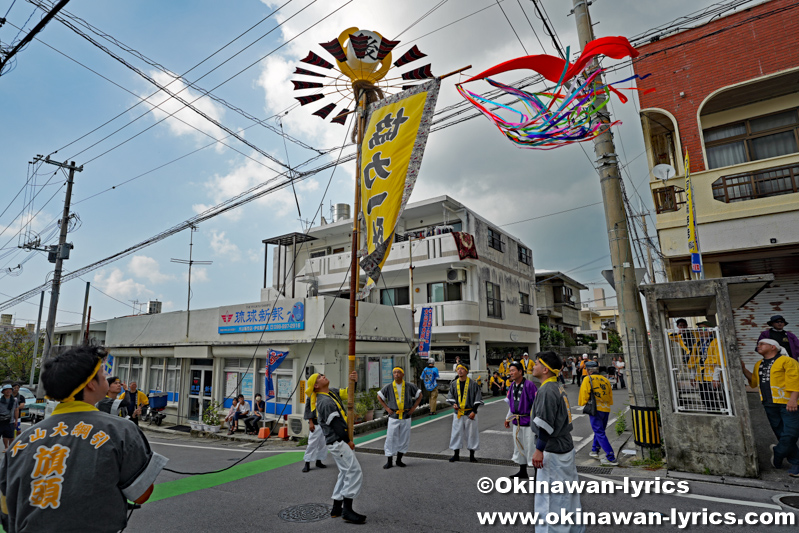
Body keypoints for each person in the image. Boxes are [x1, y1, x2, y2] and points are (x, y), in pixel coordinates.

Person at [0, 344, 167, 532]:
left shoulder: (20, 442)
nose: (108, 377)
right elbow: (141, 494)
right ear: (91, 383)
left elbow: (6, 511)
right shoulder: (119, 430)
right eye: (103, 373)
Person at [530, 351, 584, 533]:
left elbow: (545, 424)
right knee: (567, 494)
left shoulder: (546, 390)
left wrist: (539, 449)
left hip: (552, 450)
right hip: (565, 447)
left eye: (537, 363)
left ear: (545, 369)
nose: (534, 366)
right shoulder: (558, 386)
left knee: (551, 500)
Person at [306, 371, 366, 523]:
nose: (323, 376)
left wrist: (354, 381)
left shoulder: (330, 392)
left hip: (338, 441)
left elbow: (347, 393)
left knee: (344, 473)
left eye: (322, 374)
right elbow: (335, 423)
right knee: (354, 471)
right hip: (338, 441)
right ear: (316, 386)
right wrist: (347, 440)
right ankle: (347, 510)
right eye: (319, 377)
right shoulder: (323, 402)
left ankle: (337, 507)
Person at [740, 339, 799, 478]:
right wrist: (743, 369)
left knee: (791, 432)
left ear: (773, 347)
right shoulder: (759, 364)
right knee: (780, 432)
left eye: (762, 344)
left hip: (787, 402)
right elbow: (754, 382)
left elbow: (796, 380)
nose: (758, 346)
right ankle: (796, 461)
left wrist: (793, 399)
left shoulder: (787, 361)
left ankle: (778, 452)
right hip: (768, 403)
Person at [377, 367, 422, 469]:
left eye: (398, 372)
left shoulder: (409, 386)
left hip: (406, 415)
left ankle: (399, 460)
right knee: (390, 438)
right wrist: (387, 408)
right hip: (394, 416)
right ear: (393, 375)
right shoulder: (388, 387)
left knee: (404, 438)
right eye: (394, 373)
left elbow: (419, 395)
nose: (396, 374)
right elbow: (379, 396)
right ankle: (389, 461)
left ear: (403, 374)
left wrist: (413, 408)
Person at [579, 360, 617, 466]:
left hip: (595, 409)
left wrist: (582, 403)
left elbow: (584, 394)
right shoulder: (605, 379)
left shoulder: (588, 379)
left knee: (599, 432)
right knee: (600, 430)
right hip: (606, 408)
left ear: (588, 370)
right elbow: (610, 396)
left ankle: (611, 456)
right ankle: (594, 450)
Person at [504, 362, 537, 478]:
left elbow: (536, 404)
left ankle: (537, 474)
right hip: (517, 421)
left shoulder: (529, 385)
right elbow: (511, 404)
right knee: (519, 446)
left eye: (513, 370)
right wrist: (507, 418)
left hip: (528, 421)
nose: (511, 373)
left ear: (520, 371)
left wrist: (536, 421)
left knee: (530, 447)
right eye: (510, 371)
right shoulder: (512, 386)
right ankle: (523, 471)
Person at [447, 363, 483, 463]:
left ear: (466, 371)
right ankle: (456, 454)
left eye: (462, 369)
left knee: (472, 434)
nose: (460, 371)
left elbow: (478, 398)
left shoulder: (473, 384)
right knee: (456, 433)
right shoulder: (454, 384)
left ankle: (472, 455)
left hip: (470, 412)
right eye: (458, 369)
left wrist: (474, 411)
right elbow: (451, 397)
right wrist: (453, 404)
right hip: (458, 413)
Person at [688, 325, 727, 412]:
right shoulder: (698, 344)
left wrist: (716, 377)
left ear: (710, 330)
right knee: (704, 397)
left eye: (704, 329)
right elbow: (693, 361)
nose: (701, 331)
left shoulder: (716, 342)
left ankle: (720, 413)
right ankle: (711, 413)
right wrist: (692, 376)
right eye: (699, 329)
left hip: (712, 374)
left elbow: (719, 360)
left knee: (716, 396)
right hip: (701, 375)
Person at [302, 393, 327, 472]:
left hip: (325, 423)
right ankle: (307, 462)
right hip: (315, 422)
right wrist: (311, 422)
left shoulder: (325, 393)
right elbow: (308, 409)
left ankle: (319, 461)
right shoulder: (311, 395)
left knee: (323, 443)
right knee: (312, 443)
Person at [0, 386, 17, 451]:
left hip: (10, 420)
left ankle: (9, 448)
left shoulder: (14, 400)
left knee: (10, 436)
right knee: (4, 435)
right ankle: (6, 447)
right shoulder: (0, 400)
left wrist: (16, 420)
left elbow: (16, 410)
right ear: (3, 392)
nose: (8, 391)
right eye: (6, 390)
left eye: (10, 389)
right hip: (1, 420)